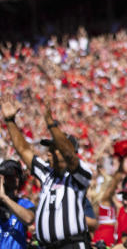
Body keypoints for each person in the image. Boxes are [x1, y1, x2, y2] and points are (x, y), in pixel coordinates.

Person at [1, 101, 92, 249]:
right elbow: (24, 150)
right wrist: (10, 121)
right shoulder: (47, 174)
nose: (48, 153)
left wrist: (52, 125)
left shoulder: (78, 177)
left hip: (71, 245)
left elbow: (69, 156)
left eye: (54, 149)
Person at [0, 159, 34, 249]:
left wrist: (4, 198)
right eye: (8, 177)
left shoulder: (24, 204)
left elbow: (29, 219)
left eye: (16, 176)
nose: (14, 179)